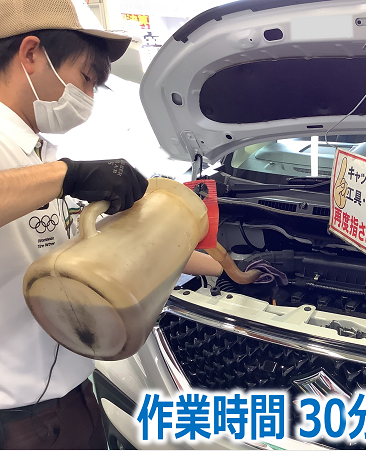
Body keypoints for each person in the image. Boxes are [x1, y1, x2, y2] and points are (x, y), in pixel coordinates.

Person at [0, 1, 220, 448]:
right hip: (14, 417)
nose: (89, 97)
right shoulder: (33, 162)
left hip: (72, 396)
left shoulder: (38, 151)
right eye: (86, 78)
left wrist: (225, 266)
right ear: (31, 54)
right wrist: (68, 175)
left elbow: (93, 250)